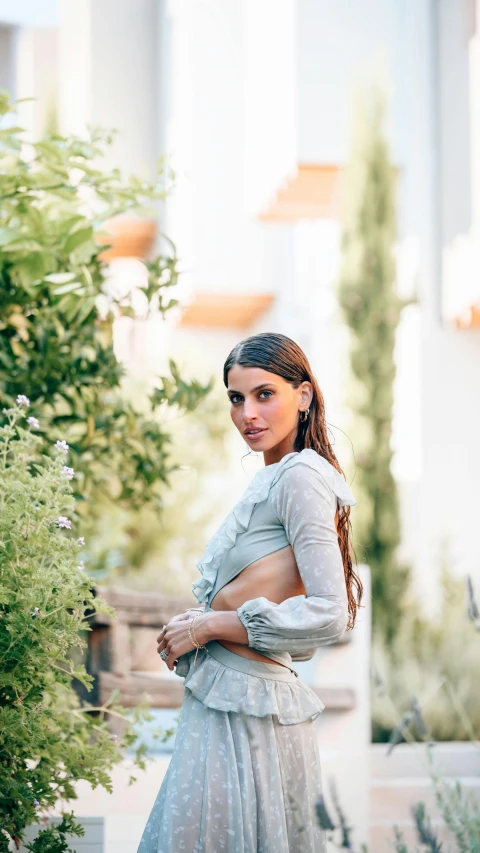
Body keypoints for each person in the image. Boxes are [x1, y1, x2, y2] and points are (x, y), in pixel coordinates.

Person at [137, 332, 363, 853]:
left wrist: (209, 626)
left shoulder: (301, 477)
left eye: (265, 394)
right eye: (236, 399)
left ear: (302, 395)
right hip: (234, 700)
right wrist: (193, 625)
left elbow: (331, 613)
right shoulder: (275, 478)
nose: (248, 414)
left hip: (252, 709)